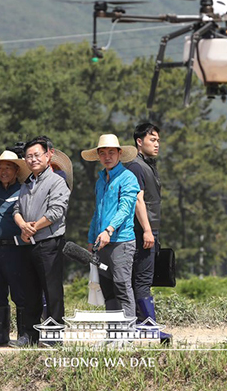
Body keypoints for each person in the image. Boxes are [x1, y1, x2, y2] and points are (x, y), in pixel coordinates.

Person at [13, 137, 70, 346]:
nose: (33, 159)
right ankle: (30, 334)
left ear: (49, 155)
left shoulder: (57, 181)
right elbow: (17, 209)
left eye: (37, 155)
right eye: (28, 156)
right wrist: (22, 226)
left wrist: (32, 228)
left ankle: (54, 337)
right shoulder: (27, 182)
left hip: (49, 243)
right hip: (28, 243)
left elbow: (56, 211)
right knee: (30, 291)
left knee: (52, 291)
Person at [81, 134, 139, 318]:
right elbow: (97, 212)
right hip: (102, 243)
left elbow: (125, 208)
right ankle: (114, 333)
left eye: (111, 152)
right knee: (108, 288)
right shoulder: (100, 181)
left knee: (122, 285)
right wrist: (91, 240)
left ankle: (127, 335)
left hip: (120, 242)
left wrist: (109, 230)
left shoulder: (128, 177)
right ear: (98, 156)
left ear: (119, 153)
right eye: (103, 153)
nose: (107, 157)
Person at [124, 123, 171, 343]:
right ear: (139, 142)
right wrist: (147, 231)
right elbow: (137, 199)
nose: (157, 144)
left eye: (158, 140)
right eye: (152, 140)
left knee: (142, 279)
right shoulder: (136, 166)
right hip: (141, 231)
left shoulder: (147, 165)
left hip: (148, 230)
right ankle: (149, 328)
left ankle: (139, 326)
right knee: (142, 279)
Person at [0, 151, 31, 346]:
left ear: (16, 170)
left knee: (19, 292)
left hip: (16, 249)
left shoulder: (24, 190)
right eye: (0, 168)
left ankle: (22, 335)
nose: (3, 172)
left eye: (8, 168)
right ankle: (1, 335)